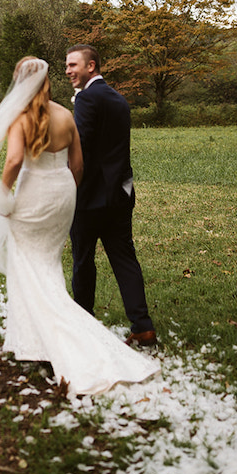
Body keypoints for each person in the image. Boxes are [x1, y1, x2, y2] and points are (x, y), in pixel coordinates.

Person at [0, 57, 159, 396]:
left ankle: (50, 337)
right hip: (63, 192)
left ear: (20, 83)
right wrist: (67, 191)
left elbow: (16, 161)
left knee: (28, 262)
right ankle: (33, 340)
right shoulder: (66, 114)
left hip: (34, 192)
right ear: (47, 81)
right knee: (46, 262)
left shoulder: (21, 118)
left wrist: (2, 195)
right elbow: (77, 165)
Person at [64, 44, 157, 347]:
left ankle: (82, 320)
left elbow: (79, 146)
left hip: (90, 197)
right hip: (120, 193)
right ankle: (143, 326)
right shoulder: (118, 99)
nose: (68, 71)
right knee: (124, 258)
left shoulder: (88, 99)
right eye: (66, 66)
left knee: (82, 260)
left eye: (73, 65)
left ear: (91, 66)